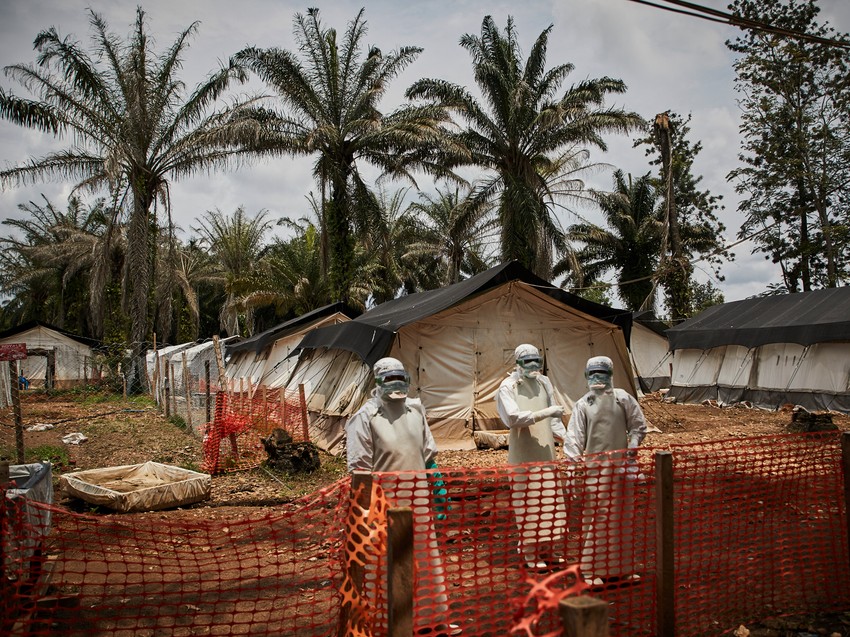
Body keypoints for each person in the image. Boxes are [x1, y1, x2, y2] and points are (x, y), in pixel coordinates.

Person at [345, 357, 460, 637]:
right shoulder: (366, 417)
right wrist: (366, 510)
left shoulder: (416, 410)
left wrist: (436, 484)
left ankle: (433, 618)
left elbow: (428, 453)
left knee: (426, 558)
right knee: (385, 563)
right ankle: (386, 622)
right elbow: (359, 468)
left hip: (418, 499)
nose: (396, 384)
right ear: (378, 381)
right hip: (384, 505)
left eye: (400, 377)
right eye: (390, 378)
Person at [562, 355, 648, 587]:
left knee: (623, 517)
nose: (597, 378)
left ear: (611, 374)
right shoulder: (583, 404)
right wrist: (572, 470)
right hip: (595, 473)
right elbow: (573, 439)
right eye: (593, 374)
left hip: (621, 470)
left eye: (602, 373)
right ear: (586, 376)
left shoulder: (623, 398)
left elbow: (639, 426)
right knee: (598, 519)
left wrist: (632, 448)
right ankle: (591, 570)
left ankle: (623, 568)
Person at [496, 343, 569, 570]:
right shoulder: (508, 386)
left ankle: (548, 550)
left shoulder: (544, 382)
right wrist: (545, 413)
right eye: (527, 362)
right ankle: (530, 553)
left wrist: (568, 441)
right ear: (517, 363)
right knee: (528, 502)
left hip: (546, 452)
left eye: (536, 361)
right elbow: (513, 418)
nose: (533, 365)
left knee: (549, 501)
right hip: (523, 452)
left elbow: (555, 420)